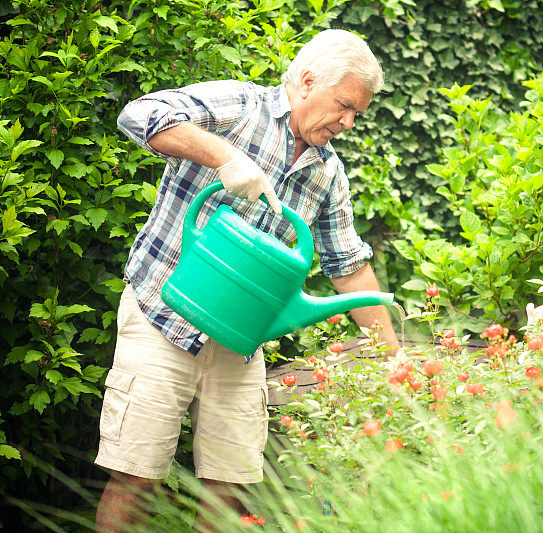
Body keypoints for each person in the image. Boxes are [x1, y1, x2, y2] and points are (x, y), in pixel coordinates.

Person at [94, 29, 400, 532]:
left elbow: (348, 266)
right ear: (306, 82)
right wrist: (228, 158)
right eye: (344, 106)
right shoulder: (240, 105)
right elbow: (138, 114)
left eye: (357, 114)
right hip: (161, 319)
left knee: (227, 489)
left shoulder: (328, 172)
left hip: (239, 345)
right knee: (136, 478)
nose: (348, 122)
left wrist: (394, 361)